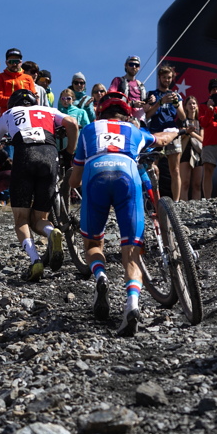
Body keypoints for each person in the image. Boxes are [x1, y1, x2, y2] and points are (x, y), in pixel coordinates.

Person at [69, 93, 179, 337]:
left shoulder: (89, 129)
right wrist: (176, 131)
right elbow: (162, 139)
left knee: (93, 243)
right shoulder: (133, 130)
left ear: (100, 114)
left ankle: (100, 275)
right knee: (131, 250)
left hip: (95, 173)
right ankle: (132, 303)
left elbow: (74, 180)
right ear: (127, 115)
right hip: (127, 173)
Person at [0, 88, 78, 281]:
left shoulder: (9, 113)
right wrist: (69, 152)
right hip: (50, 156)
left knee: (21, 219)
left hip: (25, 157)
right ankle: (52, 232)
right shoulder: (48, 110)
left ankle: (35, 261)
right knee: (40, 218)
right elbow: (72, 123)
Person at [144, 64, 185, 200]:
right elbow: (148, 115)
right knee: (152, 168)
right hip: (156, 133)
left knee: (175, 169)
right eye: (164, 77)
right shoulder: (152, 94)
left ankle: (176, 201)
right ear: (159, 78)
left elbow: (183, 117)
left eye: (169, 78)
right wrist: (160, 103)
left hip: (172, 132)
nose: (167, 80)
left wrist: (176, 104)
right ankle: (154, 200)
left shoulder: (176, 95)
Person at [0, 48, 36, 113]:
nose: (14, 64)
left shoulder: (28, 78)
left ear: (21, 62)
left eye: (16, 61)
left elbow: (34, 100)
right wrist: (20, 99)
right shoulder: (0, 77)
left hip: (26, 114)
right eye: (11, 62)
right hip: (8, 115)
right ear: (6, 62)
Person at [177, 95, 204, 200]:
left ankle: (196, 205)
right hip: (185, 152)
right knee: (185, 182)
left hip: (197, 153)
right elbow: (179, 136)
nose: (192, 106)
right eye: (189, 104)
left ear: (197, 106)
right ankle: (183, 204)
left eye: (194, 103)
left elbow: (202, 139)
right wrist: (186, 132)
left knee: (197, 184)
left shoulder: (200, 122)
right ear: (185, 107)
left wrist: (191, 133)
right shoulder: (182, 121)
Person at [109, 56, 146, 121]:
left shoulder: (141, 85)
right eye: (131, 64)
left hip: (140, 121)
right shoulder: (118, 80)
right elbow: (111, 97)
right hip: (124, 118)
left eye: (136, 65)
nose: (134, 67)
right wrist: (132, 104)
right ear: (126, 65)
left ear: (139, 67)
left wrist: (150, 101)